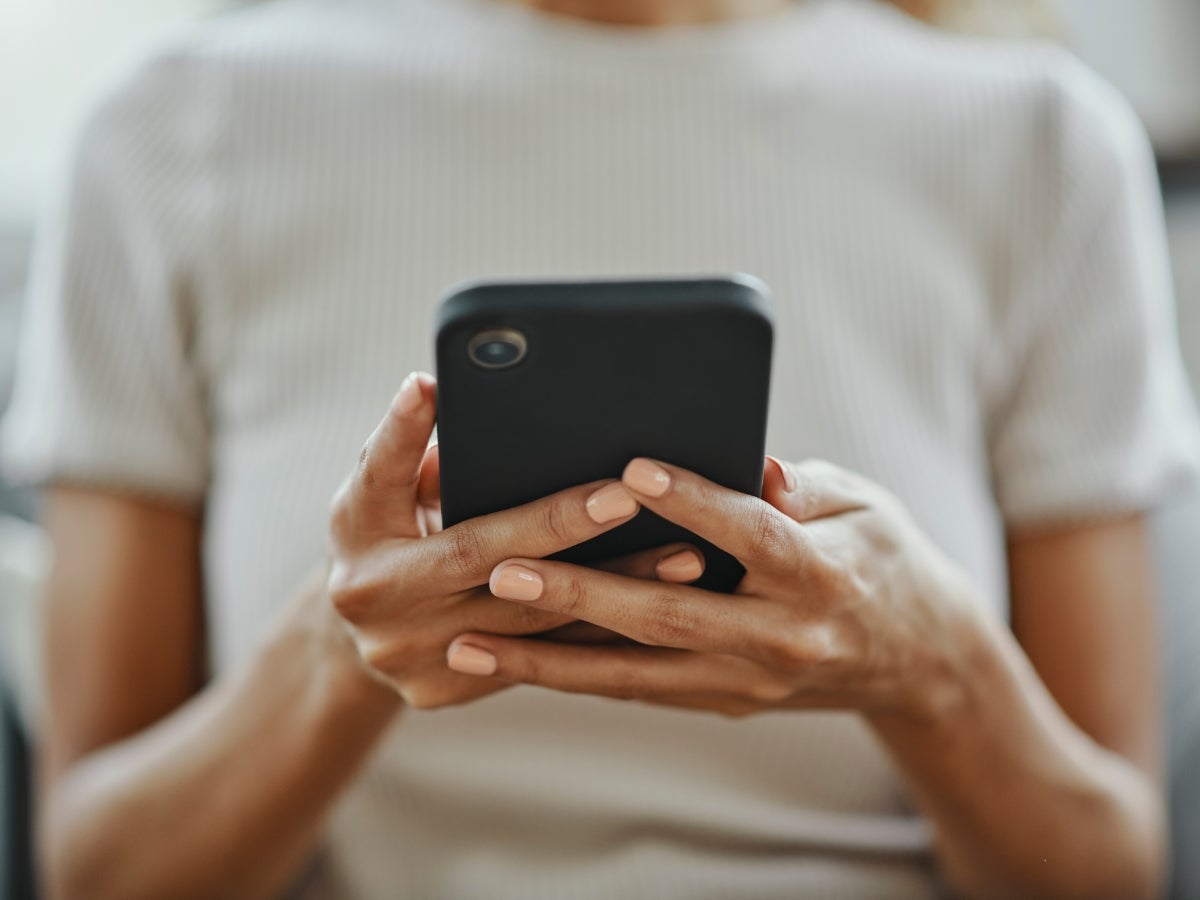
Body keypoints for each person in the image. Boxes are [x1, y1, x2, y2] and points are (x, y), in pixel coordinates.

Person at [3, 0, 1199, 897]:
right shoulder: (175, 136)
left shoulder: (1041, 145)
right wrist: (339, 646)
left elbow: (1104, 870)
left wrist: (933, 669)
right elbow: (101, 870)